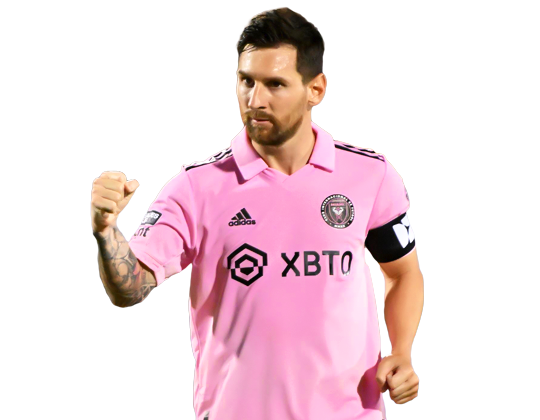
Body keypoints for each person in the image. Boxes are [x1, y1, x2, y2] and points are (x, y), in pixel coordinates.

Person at [91, 7, 424, 420]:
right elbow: (129, 287)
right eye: (246, 81)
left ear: (315, 89)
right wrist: (106, 231)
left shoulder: (369, 176)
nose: (255, 100)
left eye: (275, 84)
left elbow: (403, 273)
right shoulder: (196, 187)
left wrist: (402, 352)